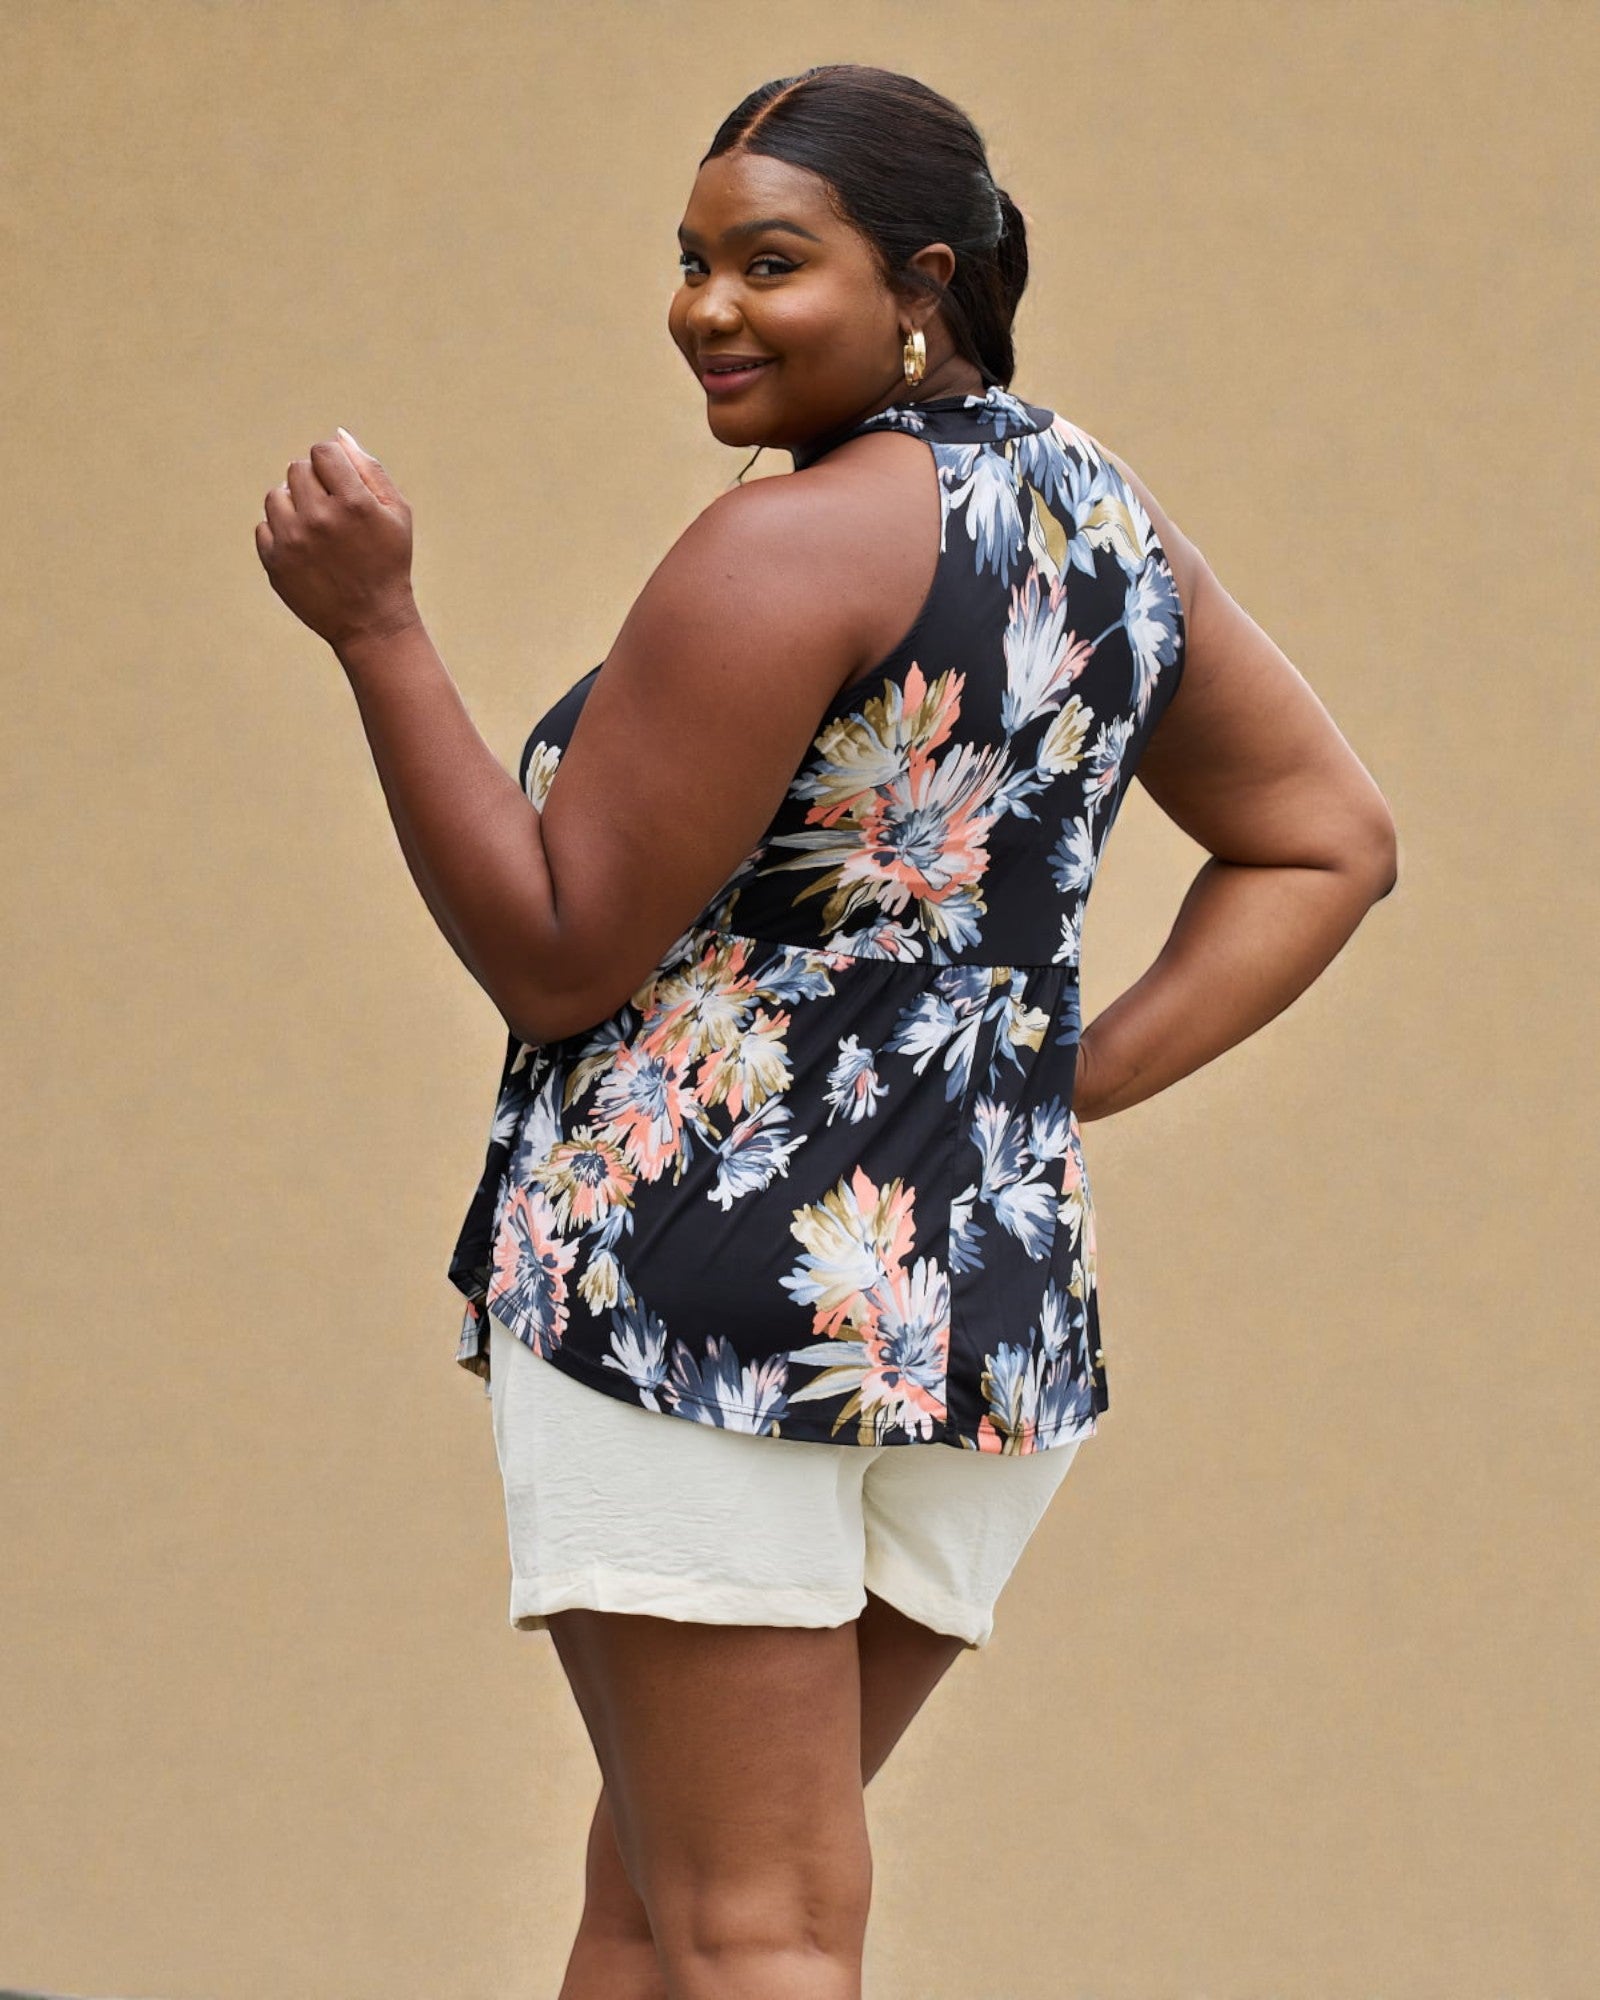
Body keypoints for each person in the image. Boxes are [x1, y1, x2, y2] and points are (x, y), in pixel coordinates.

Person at [255, 59, 1398, 2000]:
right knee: (661, 1910)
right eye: (688, 262)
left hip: (708, 1299)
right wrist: (1045, 1086)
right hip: (967, 1307)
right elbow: (1325, 842)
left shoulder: (778, 551)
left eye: (768, 262)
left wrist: (377, 632)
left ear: (921, 283)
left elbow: (553, 951)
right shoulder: (1088, 517)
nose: (706, 306)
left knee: (753, 1928)